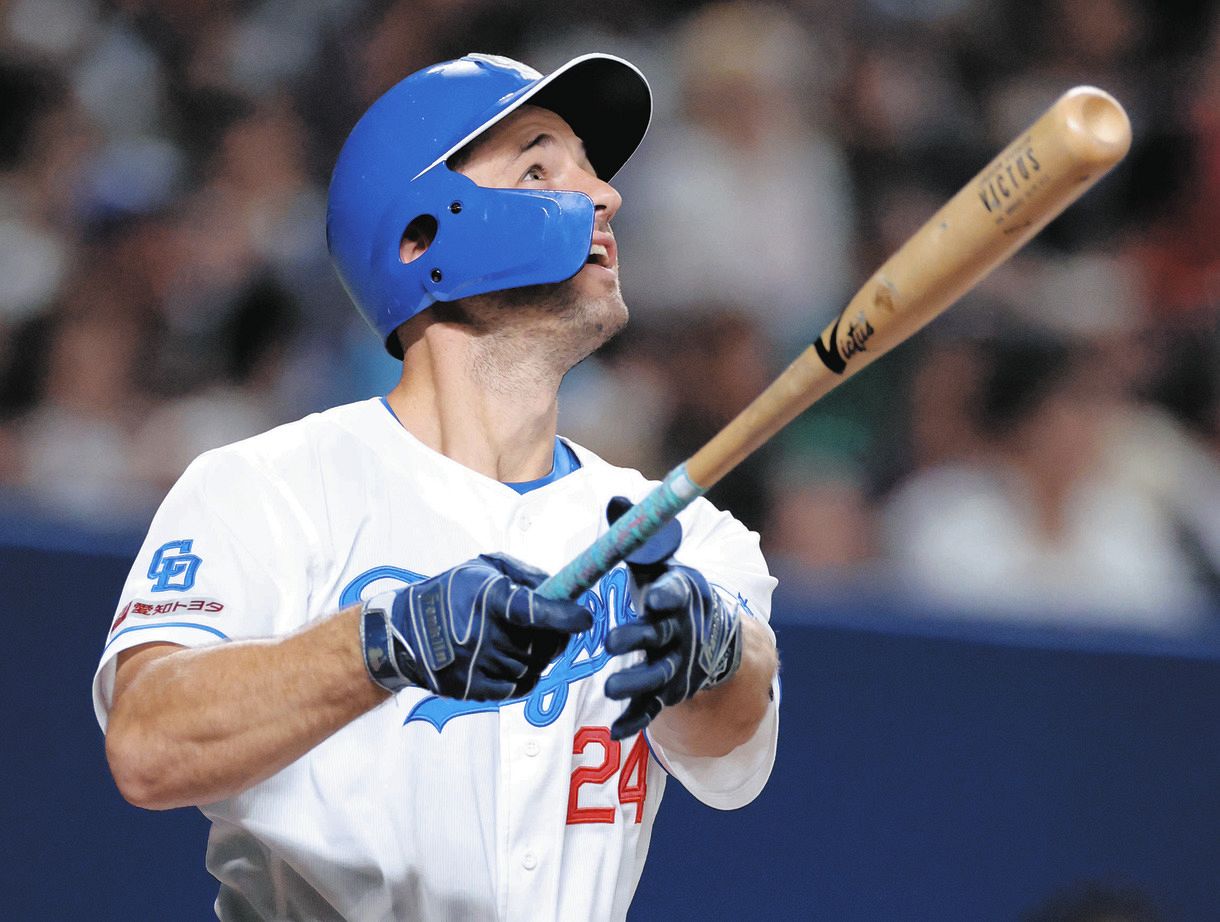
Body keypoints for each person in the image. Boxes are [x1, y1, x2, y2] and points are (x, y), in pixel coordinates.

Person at [94, 53, 780, 922]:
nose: (606, 197)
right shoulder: (268, 487)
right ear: (419, 239)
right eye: (539, 169)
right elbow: (147, 746)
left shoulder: (673, 533)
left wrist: (715, 650)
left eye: (592, 170)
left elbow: (733, 756)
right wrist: (384, 643)